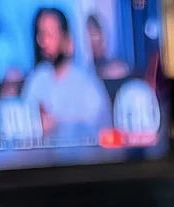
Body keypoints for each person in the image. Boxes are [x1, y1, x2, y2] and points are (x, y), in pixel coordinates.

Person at [22, 7, 112, 139]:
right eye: (40, 34)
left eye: (49, 34)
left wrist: (58, 125)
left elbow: (100, 129)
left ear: (66, 39)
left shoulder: (86, 84)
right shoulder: (37, 79)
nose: (42, 41)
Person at [85, 14, 129, 80]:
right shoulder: (82, 75)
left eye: (96, 35)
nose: (95, 42)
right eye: (91, 36)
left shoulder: (117, 68)